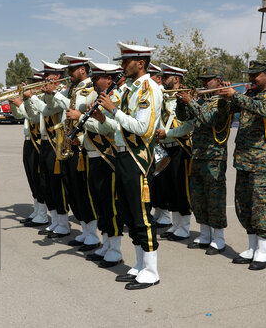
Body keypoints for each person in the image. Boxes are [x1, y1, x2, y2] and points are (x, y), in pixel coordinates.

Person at [97, 41, 162, 290]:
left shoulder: (148, 89)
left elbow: (142, 128)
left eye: (126, 62)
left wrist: (113, 110)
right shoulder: (130, 89)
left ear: (140, 63)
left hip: (138, 158)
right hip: (123, 156)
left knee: (142, 215)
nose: (122, 66)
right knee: (127, 212)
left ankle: (152, 270)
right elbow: (121, 127)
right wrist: (107, 115)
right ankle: (139, 265)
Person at [219, 60, 266, 271]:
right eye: (250, 75)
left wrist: (235, 95)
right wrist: (223, 96)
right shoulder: (249, 95)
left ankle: (264, 251)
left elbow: (264, 110)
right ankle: (252, 246)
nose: (251, 78)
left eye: (256, 75)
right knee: (243, 204)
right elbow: (227, 111)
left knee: (258, 206)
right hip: (243, 160)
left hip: (260, 162)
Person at [175, 65, 231, 256]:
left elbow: (209, 119)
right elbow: (183, 117)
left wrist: (190, 101)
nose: (204, 83)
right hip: (198, 155)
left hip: (214, 157)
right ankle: (205, 234)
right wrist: (181, 102)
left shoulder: (223, 102)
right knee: (198, 197)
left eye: (208, 79)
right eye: (203, 79)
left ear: (219, 81)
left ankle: (219, 238)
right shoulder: (201, 100)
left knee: (215, 198)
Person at [80, 62, 125, 267]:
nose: (93, 81)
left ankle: (115, 249)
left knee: (110, 205)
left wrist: (82, 118)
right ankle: (106, 244)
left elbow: (113, 128)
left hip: (108, 157)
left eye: (97, 77)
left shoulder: (116, 99)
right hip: (93, 155)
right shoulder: (97, 99)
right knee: (99, 204)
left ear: (109, 79)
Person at [54, 55, 100, 250]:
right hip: (69, 144)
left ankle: (93, 234)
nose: (69, 75)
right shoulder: (73, 89)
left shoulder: (92, 90)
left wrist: (79, 138)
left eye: (71, 71)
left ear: (82, 69)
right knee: (73, 191)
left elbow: (95, 120)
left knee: (84, 192)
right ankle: (84, 230)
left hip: (83, 147)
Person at [24, 61, 70, 237]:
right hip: (44, 142)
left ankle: (63, 224)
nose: (43, 79)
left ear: (56, 77)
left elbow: (47, 110)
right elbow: (33, 115)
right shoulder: (46, 94)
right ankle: (55, 221)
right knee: (46, 184)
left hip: (55, 143)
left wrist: (33, 97)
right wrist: (27, 99)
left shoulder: (61, 93)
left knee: (57, 185)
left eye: (47, 76)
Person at [154, 63, 194, 241]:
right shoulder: (163, 98)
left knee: (181, 189)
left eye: (166, 77)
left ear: (176, 79)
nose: (162, 80)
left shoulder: (184, 98)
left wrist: (168, 133)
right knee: (169, 189)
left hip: (180, 149)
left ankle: (184, 227)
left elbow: (189, 125)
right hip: (165, 148)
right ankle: (175, 225)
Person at [10, 69, 48, 225]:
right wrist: (13, 104)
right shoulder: (30, 98)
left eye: (34, 82)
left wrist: (23, 103)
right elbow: (19, 116)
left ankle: (43, 214)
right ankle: (37, 210)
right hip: (28, 139)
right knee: (31, 176)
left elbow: (34, 117)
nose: (30, 85)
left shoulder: (43, 99)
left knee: (39, 178)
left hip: (38, 139)